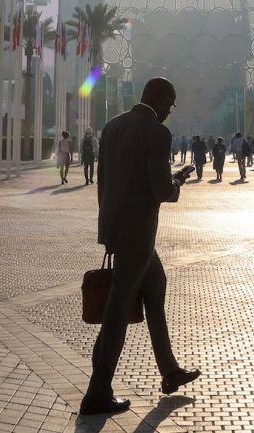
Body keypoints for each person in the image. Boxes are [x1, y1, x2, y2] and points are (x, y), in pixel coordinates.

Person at [81, 77, 199, 416]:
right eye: (170, 103)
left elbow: (103, 180)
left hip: (118, 227)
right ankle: (97, 392)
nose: (169, 112)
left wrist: (109, 224)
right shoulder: (156, 133)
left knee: (156, 287)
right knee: (117, 312)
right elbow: (162, 190)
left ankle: (169, 370)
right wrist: (178, 180)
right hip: (138, 235)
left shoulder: (113, 125)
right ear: (159, 98)